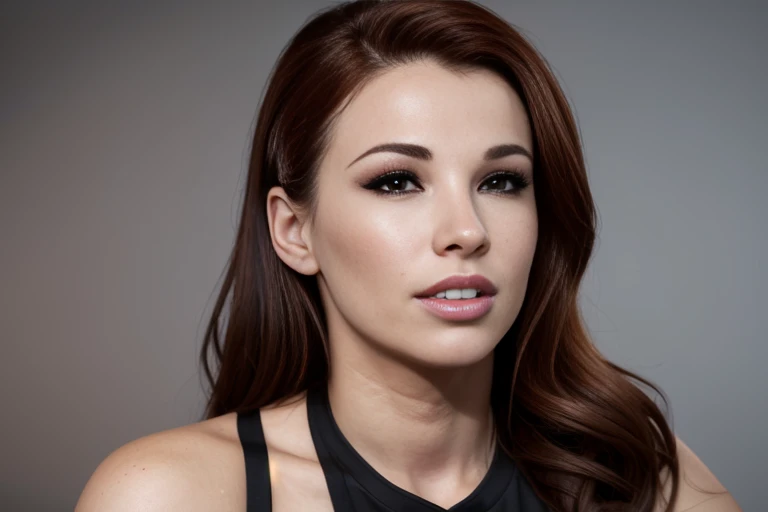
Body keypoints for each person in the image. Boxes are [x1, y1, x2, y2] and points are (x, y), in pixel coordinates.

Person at [76, 1, 742, 510]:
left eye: (501, 181)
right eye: (396, 181)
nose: (466, 229)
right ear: (293, 231)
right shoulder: (172, 495)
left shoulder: (644, 483)